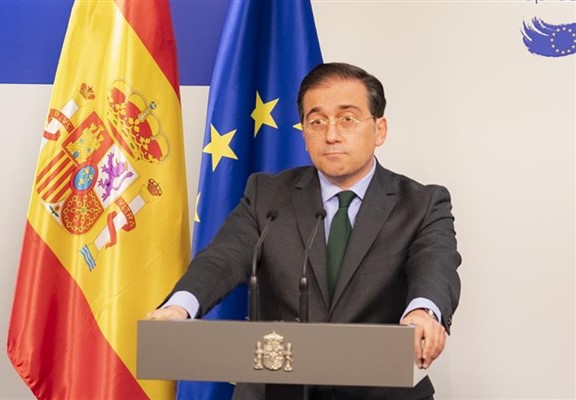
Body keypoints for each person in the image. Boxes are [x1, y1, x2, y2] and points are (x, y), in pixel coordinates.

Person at [148, 62, 461, 400]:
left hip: (381, 391)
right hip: (278, 389)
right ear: (304, 134)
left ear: (379, 129)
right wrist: (179, 307)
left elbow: (436, 266)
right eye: (317, 121)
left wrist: (423, 312)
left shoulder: (422, 203)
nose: (331, 135)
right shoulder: (267, 195)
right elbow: (222, 258)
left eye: (348, 119)